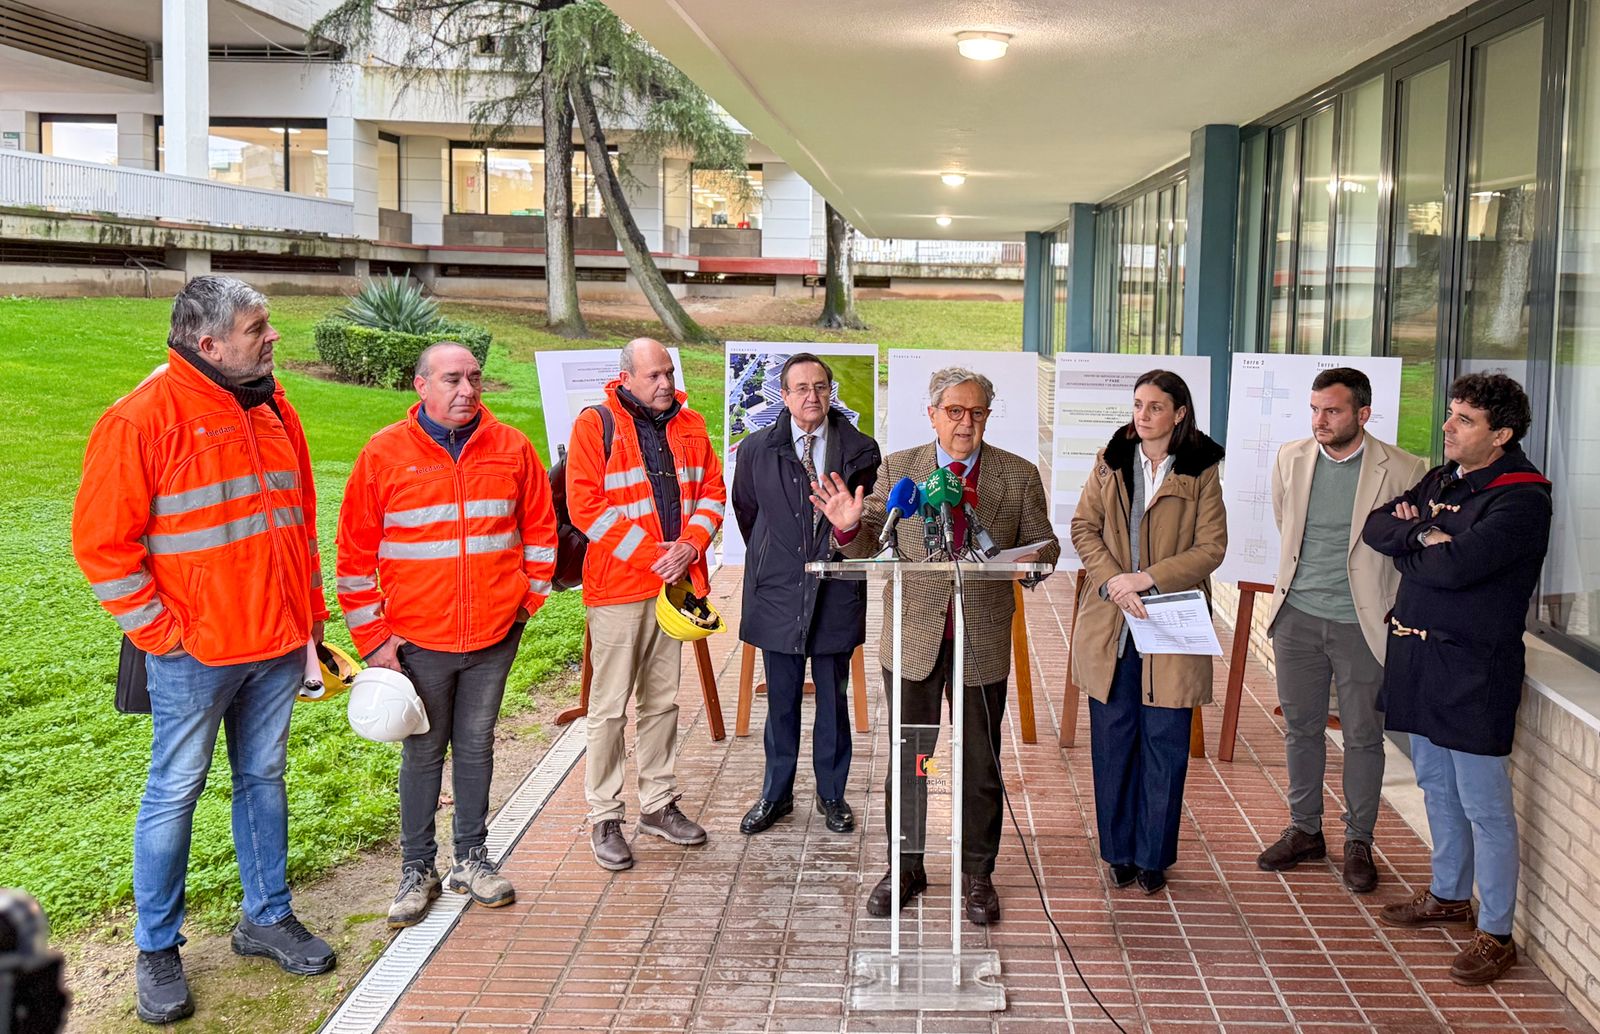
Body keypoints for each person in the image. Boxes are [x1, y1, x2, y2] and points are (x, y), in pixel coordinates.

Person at [71, 276, 336, 1025]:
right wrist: (163, 634)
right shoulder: (140, 419)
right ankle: (157, 948)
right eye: (259, 328)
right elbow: (101, 547)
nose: (273, 337)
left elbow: (297, 516)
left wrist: (310, 618)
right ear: (208, 342)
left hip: (277, 643)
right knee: (173, 792)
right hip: (195, 655)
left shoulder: (273, 403)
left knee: (264, 779)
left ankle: (267, 916)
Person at [814, 367, 1059, 925]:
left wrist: (1033, 564)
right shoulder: (900, 469)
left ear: (988, 417)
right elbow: (867, 540)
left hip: (982, 640)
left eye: (976, 412)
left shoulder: (1017, 475)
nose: (965, 423)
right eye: (954, 411)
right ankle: (905, 866)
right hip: (912, 641)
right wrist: (849, 530)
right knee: (910, 761)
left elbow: (1042, 543)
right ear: (932, 414)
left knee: (980, 763)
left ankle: (978, 874)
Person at [336, 342, 559, 928]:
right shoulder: (383, 455)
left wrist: (525, 603)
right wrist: (377, 644)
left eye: (475, 379)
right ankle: (418, 869)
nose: (466, 390)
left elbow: (540, 532)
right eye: (452, 380)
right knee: (423, 751)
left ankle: (472, 859)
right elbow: (354, 560)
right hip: (416, 640)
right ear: (421, 386)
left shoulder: (511, 448)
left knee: (478, 746)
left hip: (493, 635)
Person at [1362, 372, 1551, 986]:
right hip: (1418, 658)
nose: (1446, 426)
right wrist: (1421, 532)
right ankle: (1448, 894)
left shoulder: (1522, 496)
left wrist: (1422, 545)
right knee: (1435, 787)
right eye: (1450, 413)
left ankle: (1496, 933)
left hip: (1473, 669)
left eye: (1464, 420)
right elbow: (1377, 526)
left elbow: (1459, 568)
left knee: (1486, 806)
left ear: (1501, 434)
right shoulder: (1446, 478)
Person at [1257, 368, 1427, 892]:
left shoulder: (1404, 468)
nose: (1319, 420)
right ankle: (1306, 830)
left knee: (1362, 736)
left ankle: (1359, 841)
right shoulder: (1291, 457)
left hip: (1363, 623)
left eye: (1331, 410)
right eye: (1314, 409)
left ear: (1362, 414)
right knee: (1301, 729)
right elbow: (1289, 525)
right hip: (1298, 618)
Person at [566, 338, 726, 871]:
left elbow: (713, 493)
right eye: (653, 375)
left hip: (673, 585)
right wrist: (655, 555)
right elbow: (585, 505)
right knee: (608, 707)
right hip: (617, 587)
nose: (665, 384)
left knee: (662, 701)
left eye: (668, 373)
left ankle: (658, 804)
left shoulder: (691, 422)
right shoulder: (596, 423)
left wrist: (690, 548)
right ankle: (604, 814)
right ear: (626, 377)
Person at [1070, 369, 1226, 897]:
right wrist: (1115, 580)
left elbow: (1211, 548)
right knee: (1113, 741)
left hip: (1170, 623)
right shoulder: (1111, 460)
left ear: (1178, 413)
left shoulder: (1202, 469)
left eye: (1155, 406)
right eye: (1138, 404)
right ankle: (1118, 852)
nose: (1143, 414)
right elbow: (1083, 528)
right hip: (1113, 622)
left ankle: (1153, 856)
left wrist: (1148, 577)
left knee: (1165, 744)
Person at [733, 353, 881, 836]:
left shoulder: (861, 450)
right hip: (777, 590)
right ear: (784, 394)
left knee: (833, 702)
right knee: (780, 701)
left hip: (837, 587)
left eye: (820, 387)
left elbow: (864, 523)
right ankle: (775, 795)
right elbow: (748, 513)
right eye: (800, 388)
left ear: (830, 392)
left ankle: (832, 795)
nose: (811, 397)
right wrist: (780, 557)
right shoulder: (756, 449)